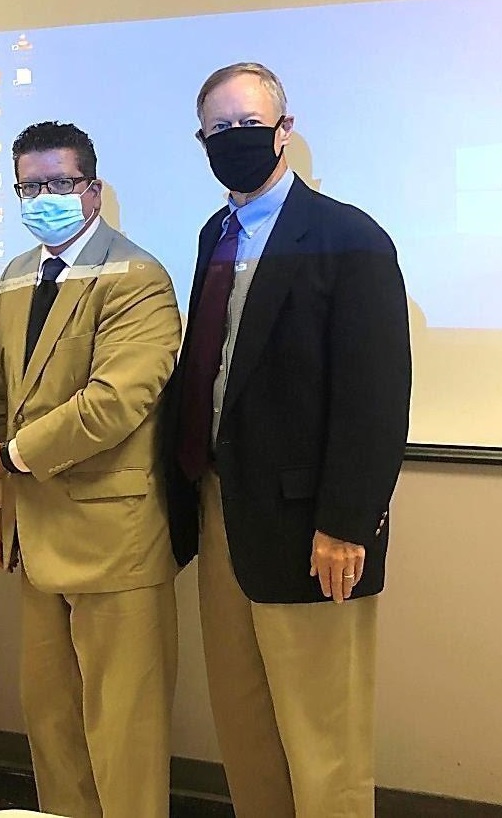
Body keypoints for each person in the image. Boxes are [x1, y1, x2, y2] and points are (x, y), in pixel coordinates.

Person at [161, 63, 412, 817]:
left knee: (322, 743)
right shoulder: (216, 232)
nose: (235, 140)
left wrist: (344, 522)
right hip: (221, 514)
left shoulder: (349, 237)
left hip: (313, 531)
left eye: (250, 125)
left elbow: (376, 398)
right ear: (200, 140)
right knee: (246, 731)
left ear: (285, 129)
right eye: (219, 130)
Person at [0, 122, 182, 818]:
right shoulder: (20, 273)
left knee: (123, 734)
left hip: (114, 540)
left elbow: (116, 402)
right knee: (52, 726)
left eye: (59, 183)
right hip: (35, 532)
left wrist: (14, 457)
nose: (43, 197)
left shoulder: (138, 276)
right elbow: (1, 395)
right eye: (30, 186)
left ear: (93, 189)